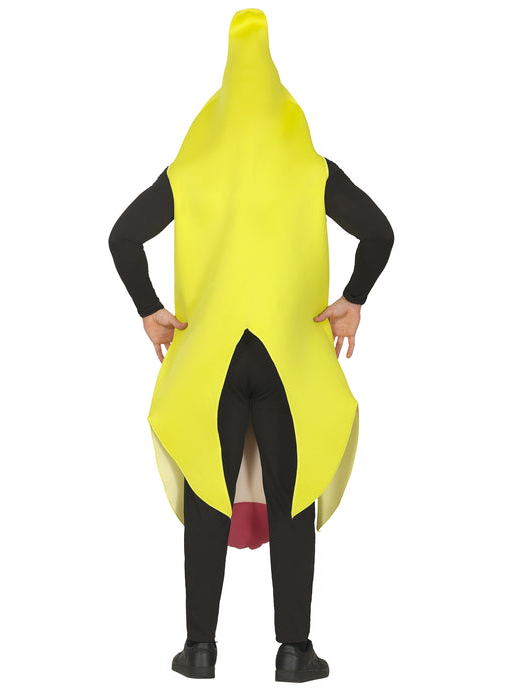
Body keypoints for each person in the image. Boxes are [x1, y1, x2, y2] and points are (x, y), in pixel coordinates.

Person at [108, 8, 393, 683]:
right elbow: (378, 232)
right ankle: (294, 651)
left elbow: (123, 237)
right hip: (289, 359)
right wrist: (353, 299)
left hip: (210, 360)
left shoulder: (192, 168)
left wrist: (149, 310)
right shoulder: (309, 166)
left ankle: (198, 649)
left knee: (209, 494)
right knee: (292, 500)